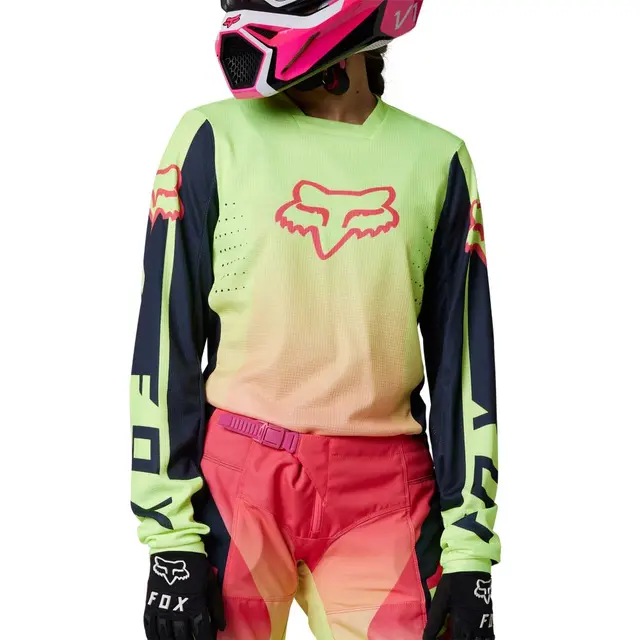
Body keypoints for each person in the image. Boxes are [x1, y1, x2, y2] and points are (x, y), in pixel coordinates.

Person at [130, 1, 500, 639]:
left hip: (386, 495)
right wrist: (170, 537)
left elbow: (463, 363)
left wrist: (470, 552)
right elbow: (166, 339)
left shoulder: (437, 159)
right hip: (239, 485)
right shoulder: (211, 138)